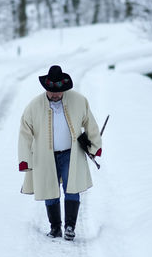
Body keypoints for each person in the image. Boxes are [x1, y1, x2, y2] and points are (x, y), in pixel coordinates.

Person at [18, 65, 103, 240]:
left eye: (58, 91)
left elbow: (90, 124)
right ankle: (55, 228)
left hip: (71, 154)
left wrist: (95, 146)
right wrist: (24, 159)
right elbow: (24, 134)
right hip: (44, 156)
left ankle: (70, 227)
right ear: (46, 88)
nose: (55, 94)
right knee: (49, 190)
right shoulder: (33, 106)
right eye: (51, 91)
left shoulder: (79, 101)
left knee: (72, 188)